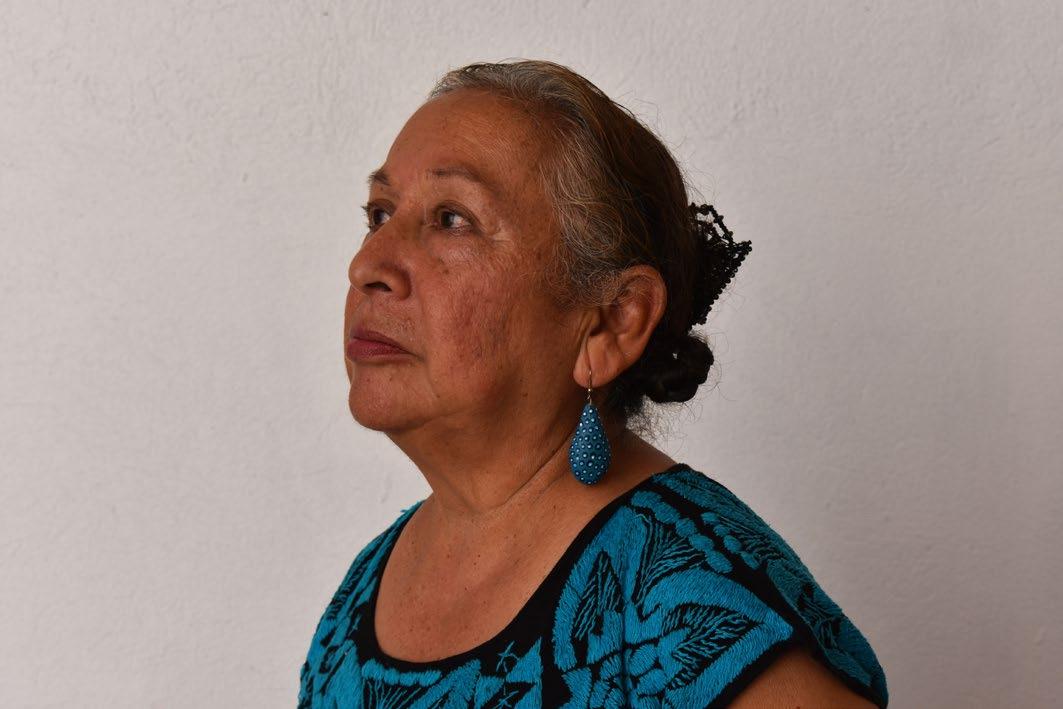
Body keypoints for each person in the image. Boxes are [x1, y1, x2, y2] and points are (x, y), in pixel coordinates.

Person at [298, 59, 888, 708]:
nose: (368, 264)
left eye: (452, 219)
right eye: (380, 213)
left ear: (611, 322)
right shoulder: (362, 595)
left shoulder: (686, 602)